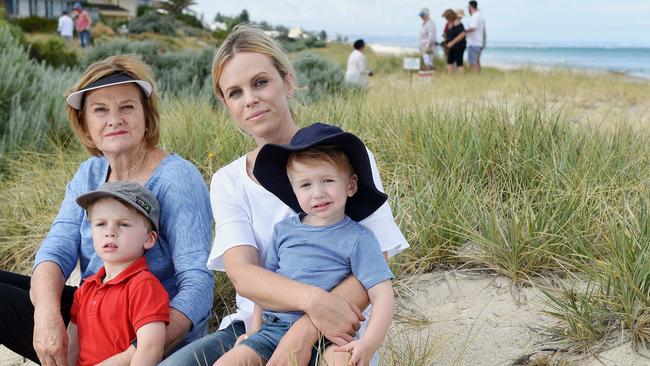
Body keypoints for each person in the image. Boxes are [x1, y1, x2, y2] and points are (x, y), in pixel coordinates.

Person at [160, 24, 409, 366]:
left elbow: (378, 257)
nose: (250, 99)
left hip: (336, 328)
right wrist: (310, 301)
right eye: (235, 92)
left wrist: (307, 328)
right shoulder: (228, 180)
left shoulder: (344, 156)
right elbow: (243, 273)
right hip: (257, 327)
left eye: (260, 82)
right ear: (226, 104)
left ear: (288, 82)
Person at [0, 54, 214, 365]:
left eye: (127, 107)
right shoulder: (89, 174)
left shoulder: (176, 178)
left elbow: (197, 281)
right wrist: (46, 319)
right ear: (85, 124)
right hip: (92, 310)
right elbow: (56, 250)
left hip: (145, 326)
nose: (114, 119)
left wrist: (136, 352)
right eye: (100, 110)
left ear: (146, 116)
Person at [216, 123, 395, 365]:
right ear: (294, 190)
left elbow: (383, 295)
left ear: (350, 185)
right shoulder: (284, 231)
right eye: (306, 185)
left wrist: (369, 343)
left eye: (328, 180)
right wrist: (254, 331)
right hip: (273, 329)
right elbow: (267, 286)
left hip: (330, 334)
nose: (318, 193)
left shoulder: (359, 239)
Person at [68, 182, 169, 365]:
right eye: (100, 224)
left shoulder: (143, 286)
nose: (110, 232)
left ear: (148, 239)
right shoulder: (86, 289)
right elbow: (71, 345)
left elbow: (150, 348)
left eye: (123, 224)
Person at [442, 9, 467, 73]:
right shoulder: (449, 23)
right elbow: (446, 34)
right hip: (451, 47)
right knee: (449, 62)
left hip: (459, 46)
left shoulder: (458, 23)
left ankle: (461, 78)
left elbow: (463, 34)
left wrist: (452, 43)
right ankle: (451, 78)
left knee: (459, 63)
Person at [466, 1, 486, 73]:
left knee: (473, 62)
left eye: (468, 7)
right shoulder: (479, 16)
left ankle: (474, 76)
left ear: (470, 7)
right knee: (477, 61)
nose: (468, 9)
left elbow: (473, 28)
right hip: (478, 42)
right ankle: (477, 77)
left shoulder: (475, 16)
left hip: (474, 43)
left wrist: (464, 32)